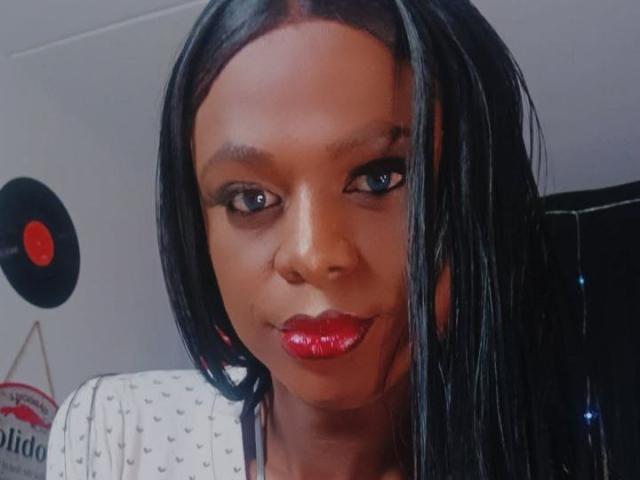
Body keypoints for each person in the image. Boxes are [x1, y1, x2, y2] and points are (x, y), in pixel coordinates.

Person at [45, 1, 620, 479]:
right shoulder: (119, 434)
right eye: (250, 199)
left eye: (380, 178)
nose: (313, 256)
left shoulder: (556, 457)